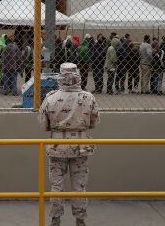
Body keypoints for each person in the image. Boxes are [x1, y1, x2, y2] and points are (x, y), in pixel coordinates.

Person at [38, 63, 100, 226]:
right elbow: (93, 123)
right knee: (79, 186)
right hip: (80, 145)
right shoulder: (88, 97)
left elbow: (44, 125)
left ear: (60, 76)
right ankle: (80, 221)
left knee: (56, 186)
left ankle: (55, 220)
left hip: (58, 146)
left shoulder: (51, 97)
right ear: (78, 75)